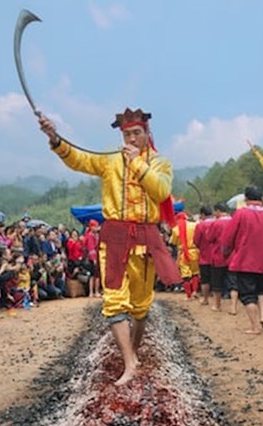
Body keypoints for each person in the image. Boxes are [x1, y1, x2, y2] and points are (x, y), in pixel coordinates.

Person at [38, 108, 180, 386]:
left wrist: (138, 164)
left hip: (146, 237)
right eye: (127, 134)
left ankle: (134, 353)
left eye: (137, 133)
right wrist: (56, 138)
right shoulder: (110, 159)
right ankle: (129, 363)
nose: (132, 138)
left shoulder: (161, 163)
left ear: (147, 133)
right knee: (114, 301)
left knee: (140, 307)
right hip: (114, 235)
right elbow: (80, 159)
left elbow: (162, 191)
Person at [221, 186, 263, 334]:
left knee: (248, 295)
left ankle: (254, 327)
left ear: (246, 199)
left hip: (245, 260)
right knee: (261, 290)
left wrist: (226, 252)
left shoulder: (241, 214)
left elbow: (229, 236)